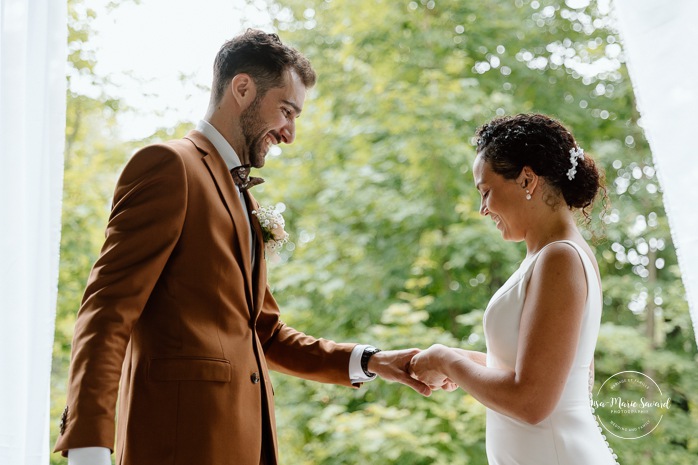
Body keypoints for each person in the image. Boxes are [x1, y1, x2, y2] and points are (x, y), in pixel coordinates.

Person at [54, 29, 431, 465]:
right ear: (243, 88)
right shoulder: (168, 166)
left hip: (247, 447)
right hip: (177, 447)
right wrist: (90, 448)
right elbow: (106, 312)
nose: (290, 133)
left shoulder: (245, 197)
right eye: (286, 111)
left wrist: (373, 361)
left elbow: (264, 334)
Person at [409, 114, 619, 465]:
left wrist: (446, 359)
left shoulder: (560, 258)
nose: (482, 209)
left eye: (486, 191)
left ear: (526, 179)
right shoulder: (552, 255)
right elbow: (534, 368)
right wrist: (449, 360)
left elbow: (532, 401)